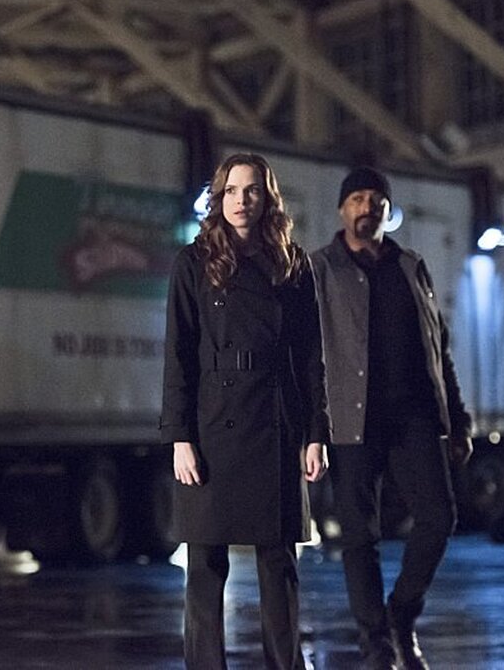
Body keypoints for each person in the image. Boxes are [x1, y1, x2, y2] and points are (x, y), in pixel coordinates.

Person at [160, 152, 331, 670]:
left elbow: (310, 355)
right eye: (231, 191)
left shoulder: (292, 263)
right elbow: (178, 353)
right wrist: (180, 436)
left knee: (278, 564)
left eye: (252, 190)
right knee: (205, 565)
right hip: (211, 423)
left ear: (267, 198)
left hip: (274, 419)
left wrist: (316, 432)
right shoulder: (193, 261)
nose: (241, 200)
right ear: (219, 198)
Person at [311, 166, 473, 670]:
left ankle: (401, 613)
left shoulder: (410, 265)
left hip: (415, 416)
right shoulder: (321, 269)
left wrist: (458, 418)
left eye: (376, 200)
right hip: (350, 420)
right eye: (357, 199)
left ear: (387, 209)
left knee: (439, 518)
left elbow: (438, 347)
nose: (368, 207)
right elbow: (306, 353)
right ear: (342, 209)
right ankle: (376, 643)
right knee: (359, 536)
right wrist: (311, 430)